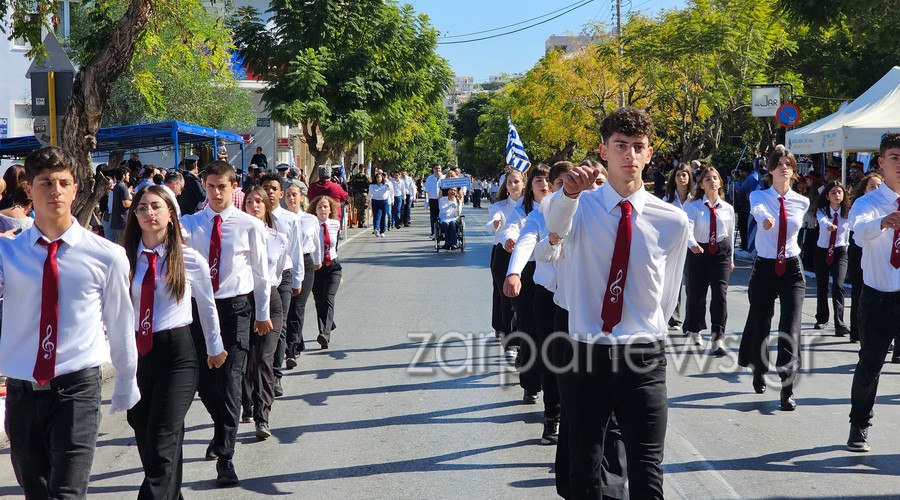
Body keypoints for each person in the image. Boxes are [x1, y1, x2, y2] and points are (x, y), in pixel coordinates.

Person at [545, 107, 689, 499]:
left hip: (642, 357)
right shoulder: (577, 206)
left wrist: (644, 329)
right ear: (603, 151)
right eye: (620, 145)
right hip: (585, 354)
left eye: (638, 147)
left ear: (649, 153)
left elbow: (668, 293)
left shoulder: (672, 220)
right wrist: (568, 193)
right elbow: (553, 229)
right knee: (585, 465)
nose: (629, 155)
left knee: (647, 468)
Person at [0, 146, 140, 499]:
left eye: (64, 183)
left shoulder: (107, 256)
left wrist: (127, 378)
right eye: (46, 183)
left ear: (76, 188)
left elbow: (121, 321)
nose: (56, 191)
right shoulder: (8, 253)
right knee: (36, 492)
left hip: (76, 389)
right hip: (22, 391)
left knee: (67, 492)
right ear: (29, 189)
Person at [123, 185, 227, 498]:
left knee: (162, 437)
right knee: (145, 432)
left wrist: (215, 348)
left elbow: (207, 307)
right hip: (138, 354)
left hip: (176, 355)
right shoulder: (123, 259)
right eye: (142, 208)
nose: (149, 213)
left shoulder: (189, 259)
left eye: (156, 206)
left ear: (170, 214)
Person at [180, 160, 272, 486]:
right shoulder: (190, 223)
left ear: (234, 188)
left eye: (222, 186)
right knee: (205, 382)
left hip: (236, 309)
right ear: (204, 187)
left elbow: (261, 273)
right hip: (199, 310)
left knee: (231, 378)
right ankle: (221, 429)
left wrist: (262, 313)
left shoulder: (250, 225)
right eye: (211, 186)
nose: (216, 193)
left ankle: (226, 457)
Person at [737, 146, 809, 411]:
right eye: (779, 164)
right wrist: (765, 218)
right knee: (760, 322)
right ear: (770, 170)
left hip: (791, 268)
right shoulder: (759, 195)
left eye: (788, 164)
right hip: (765, 266)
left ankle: (787, 387)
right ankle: (758, 368)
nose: (784, 168)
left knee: (790, 326)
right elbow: (757, 209)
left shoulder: (801, 201)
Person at [846, 133, 900, 452]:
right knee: (870, 365)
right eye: (895, 157)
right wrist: (883, 222)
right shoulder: (868, 202)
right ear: (881, 162)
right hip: (878, 296)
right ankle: (859, 424)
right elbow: (859, 231)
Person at [241, 186, 291, 440]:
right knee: (246, 359)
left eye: (259, 201)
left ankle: (263, 417)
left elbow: (279, 272)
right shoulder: (235, 235)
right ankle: (247, 403)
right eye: (249, 201)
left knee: (264, 358)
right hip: (242, 300)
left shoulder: (278, 237)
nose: (254, 206)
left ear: (266, 206)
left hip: (270, 300)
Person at [502, 163, 551, 406]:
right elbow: (511, 230)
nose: (545, 185)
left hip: (553, 276)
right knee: (529, 329)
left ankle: (554, 392)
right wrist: (509, 239)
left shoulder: (564, 207)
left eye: (548, 180)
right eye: (539, 180)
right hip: (527, 273)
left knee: (551, 332)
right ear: (530, 186)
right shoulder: (523, 211)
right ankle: (531, 384)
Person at [258, 174, 304, 399]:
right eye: (265, 188)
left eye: (274, 188)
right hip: (259, 277)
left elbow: (296, 250)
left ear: (280, 193)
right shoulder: (253, 217)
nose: (270, 192)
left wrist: (297, 279)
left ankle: (275, 374)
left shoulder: (290, 219)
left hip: (283, 275)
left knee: (280, 323)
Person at [683, 166, 735, 356]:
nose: (712, 181)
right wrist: (692, 244)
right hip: (699, 251)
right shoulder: (693, 206)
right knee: (697, 294)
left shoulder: (728, 209)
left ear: (720, 183)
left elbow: (730, 234)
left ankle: (718, 337)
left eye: (715, 178)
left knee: (720, 293)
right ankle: (695, 329)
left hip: (721, 252)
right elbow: (688, 228)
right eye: (707, 179)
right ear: (701, 185)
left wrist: (731, 259)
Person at [486, 170, 525, 358]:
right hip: (503, 253)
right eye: (509, 182)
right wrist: (495, 223)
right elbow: (492, 223)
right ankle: (510, 341)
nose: (513, 185)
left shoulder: (531, 206)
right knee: (505, 297)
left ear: (524, 183)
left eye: (516, 181)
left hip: (526, 255)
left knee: (524, 299)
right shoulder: (499, 206)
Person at [282, 179, 320, 365]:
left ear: (302, 197)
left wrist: (318, 261)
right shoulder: (280, 218)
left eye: (294, 195)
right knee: (287, 307)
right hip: (286, 263)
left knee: (298, 305)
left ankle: (291, 349)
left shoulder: (310, 219)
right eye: (288, 195)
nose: (291, 198)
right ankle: (298, 339)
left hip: (305, 262)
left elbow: (317, 244)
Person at [847, 173, 884, 343]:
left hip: (880, 252)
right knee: (859, 292)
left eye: (879, 186)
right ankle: (856, 331)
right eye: (872, 186)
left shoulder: (888, 203)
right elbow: (858, 226)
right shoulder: (861, 204)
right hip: (860, 250)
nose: (876, 189)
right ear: (864, 189)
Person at [813, 181, 851, 335]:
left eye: (839, 192)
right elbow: (822, 222)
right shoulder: (821, 211)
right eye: (833, 193)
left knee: (838, 285)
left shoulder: (848, 212)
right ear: (827, 196)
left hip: (840, 252)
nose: (837, 195)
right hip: (822, 251)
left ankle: (839, 323)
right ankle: (822, 318)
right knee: (822, 286)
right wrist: (828, 225)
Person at [663, 163, 695, 334]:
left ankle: (691, 322)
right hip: (673, 246)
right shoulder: (667, 200)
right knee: (674, 282)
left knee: (692, 285)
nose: (681, 178)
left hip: (693, 246)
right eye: (678, 175)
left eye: (684, 175)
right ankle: (674, 318)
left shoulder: (696, 199)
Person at [308, 195, 342, 349]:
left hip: (333, 267)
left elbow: (335, 246)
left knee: (328, 298)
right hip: (316, 268)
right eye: (320, 207)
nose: (323, 209)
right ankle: (329, 323)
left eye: (325, 206)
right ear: (315, 210)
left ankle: (324, 334)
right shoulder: (311, 225)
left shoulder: (335, 224)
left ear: (330, 209)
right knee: (319, 301)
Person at [110, 167, 134, 244]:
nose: (129, 177)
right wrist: (135, 201)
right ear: (123, 176)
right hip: (122, 221)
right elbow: (126, 204)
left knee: (118, 242)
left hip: (117, 221)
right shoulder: (123, 187)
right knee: (122, 243)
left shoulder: (117, 186)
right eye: (128, 175)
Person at [368, 172, 392, 237]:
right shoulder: (372, 185)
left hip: (384, 201)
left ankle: (382, 231)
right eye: (377, 177)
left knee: (383, 217)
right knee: (376, 216)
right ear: (375, 178)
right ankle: (376, 229)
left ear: (382, 178)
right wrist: (368, 200)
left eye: (380, 177)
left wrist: (387, 182)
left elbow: (390, 189)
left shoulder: (385, 184)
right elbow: (370, 193)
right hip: (375, 201)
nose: (379, 178)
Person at [424, 164, 445, 237]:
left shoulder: (444, 178)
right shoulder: (430, 178)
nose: (437, 170)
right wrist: (426, 199)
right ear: (433, 169)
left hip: (442, 199)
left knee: (442, 215)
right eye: (436, 168)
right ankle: (434, 232)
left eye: (439, 168)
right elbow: (426, 190)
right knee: (433, 216)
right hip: (433, 199)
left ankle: (442, 232)